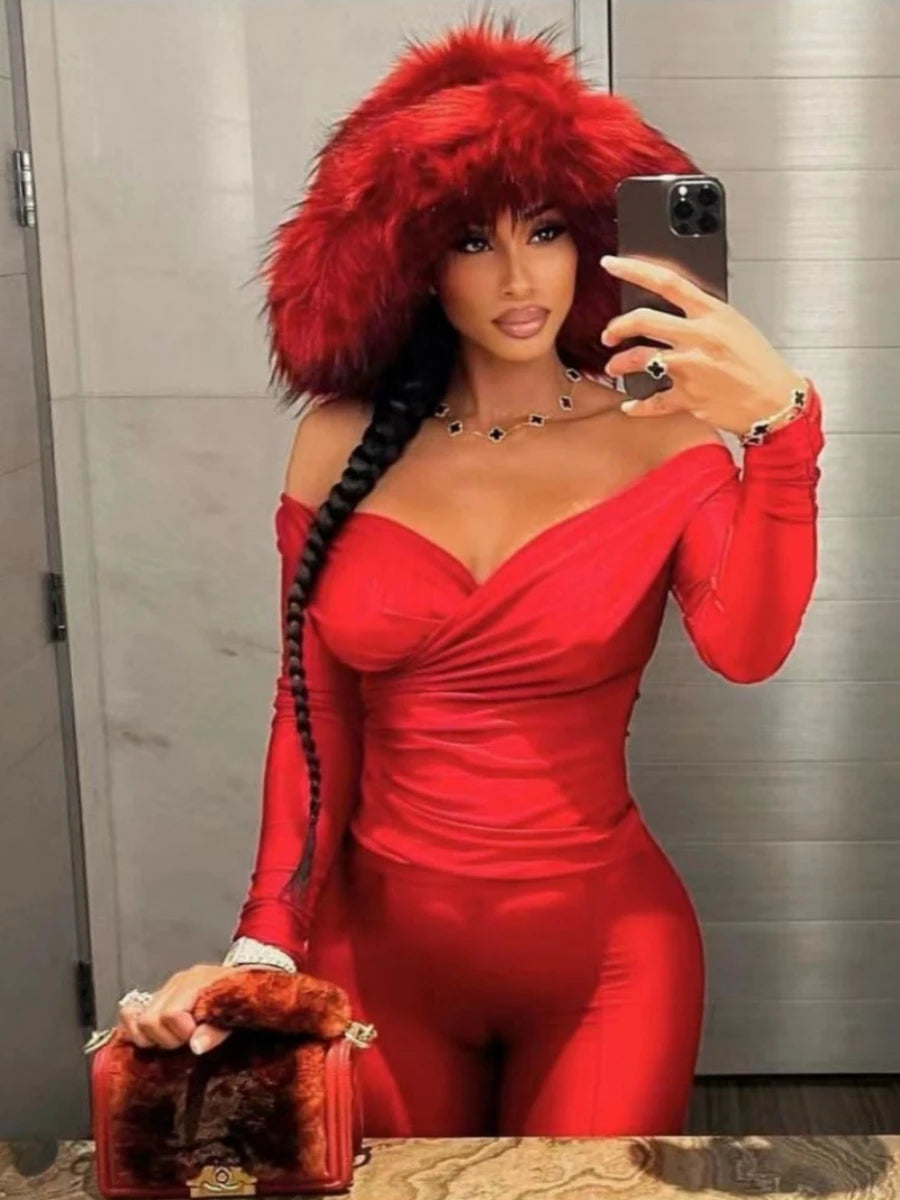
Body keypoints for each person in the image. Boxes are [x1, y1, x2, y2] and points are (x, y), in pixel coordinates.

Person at [115, 13, 825, 1138]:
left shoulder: (665, 440)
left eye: (544, 230)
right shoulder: (339, 441)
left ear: (592, 241)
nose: (518, 277)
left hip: (606, 961)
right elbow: (312, 707)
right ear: (411, 262)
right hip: (377, 958)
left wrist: (782, 432)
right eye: (470, 241)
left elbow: (748, 651)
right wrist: (264, 944)